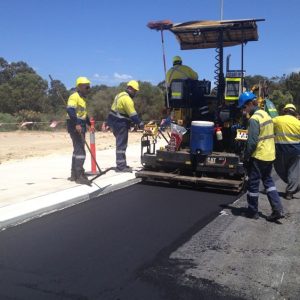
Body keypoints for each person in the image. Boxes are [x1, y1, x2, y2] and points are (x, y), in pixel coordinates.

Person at [238, 91, 284, 221]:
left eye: (244, 107)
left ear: (249, 104)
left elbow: (251, 142)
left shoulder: (254, 119)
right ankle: (277, 209)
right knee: (269, 182)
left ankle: (252, 212)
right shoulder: (266, 115)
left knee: (253, 184)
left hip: (259, 156)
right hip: (270, 155)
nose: (244, 110)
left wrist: (245, 156)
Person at [107, 80, 144, 172]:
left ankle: (122, 164)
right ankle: (121, 166)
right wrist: (140, 124)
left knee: (121, 144)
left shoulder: (119, 95)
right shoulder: (127, 99)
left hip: (114, 123)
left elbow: (116, 111)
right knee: (121, 145)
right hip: (120, 124)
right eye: (135, 91)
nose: (135, 93)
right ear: (130, 88)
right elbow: (133, 114)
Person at [66, 76, 92, 186]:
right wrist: (76, 123)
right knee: (80, 151)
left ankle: (74, 174)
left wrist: (89, 124)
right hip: (74, 125)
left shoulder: (82, 99)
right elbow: (70, 110)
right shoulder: (74, 96)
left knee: (77, 150)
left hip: (80, 124)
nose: (88, 89)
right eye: (87, 87)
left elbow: (83, 114)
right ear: (80, 86)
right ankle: (79, 175)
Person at [273, 103, 300, 200]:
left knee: (279, 168)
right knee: (293, 170)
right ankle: (291, 189)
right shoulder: (298, 123)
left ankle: (291, 187)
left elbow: (267, 125)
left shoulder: (278, 119)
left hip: (281, 149)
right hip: (296, 150)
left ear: (285, 111)